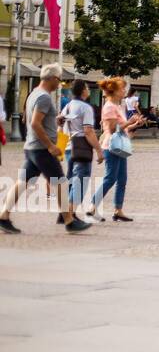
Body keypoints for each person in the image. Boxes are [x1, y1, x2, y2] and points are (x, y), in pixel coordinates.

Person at [0, 65, 93, 234]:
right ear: (52, 79)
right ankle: (69, 221)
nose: (60, 84)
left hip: (32, 147)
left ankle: (3, 216)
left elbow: (31, 120)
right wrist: (51, 146)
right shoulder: (44, 98)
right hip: (42, 149)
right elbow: (35, 123)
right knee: (61, 183)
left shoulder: (34, 94)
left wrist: (54, 122)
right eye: (59, 80)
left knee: (22, 182)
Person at [90, 77, 141, 222]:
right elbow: (112, 130)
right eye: (121, 88)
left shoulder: (118, 106)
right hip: (111, 146)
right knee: (110, 178)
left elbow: (122, 128)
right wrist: (129, 123)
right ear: (115, 91)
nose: (124, 90)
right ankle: (93, 206)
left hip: (120, 146)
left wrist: (135, 124)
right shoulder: (109, 107)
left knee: (122, 179)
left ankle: (118, 210)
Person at [60, 80, 101, 213]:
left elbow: (60, 127)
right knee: (80, 181)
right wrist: (99, 150)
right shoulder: (85, 107)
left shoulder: (67, 106)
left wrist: (60, 148)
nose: (88, 90)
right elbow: (88, 130)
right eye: (87, 88)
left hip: (68, 148)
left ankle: (65, 213)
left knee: (71, 181)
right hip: (81, 148)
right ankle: (70, 215)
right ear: (83, 90)